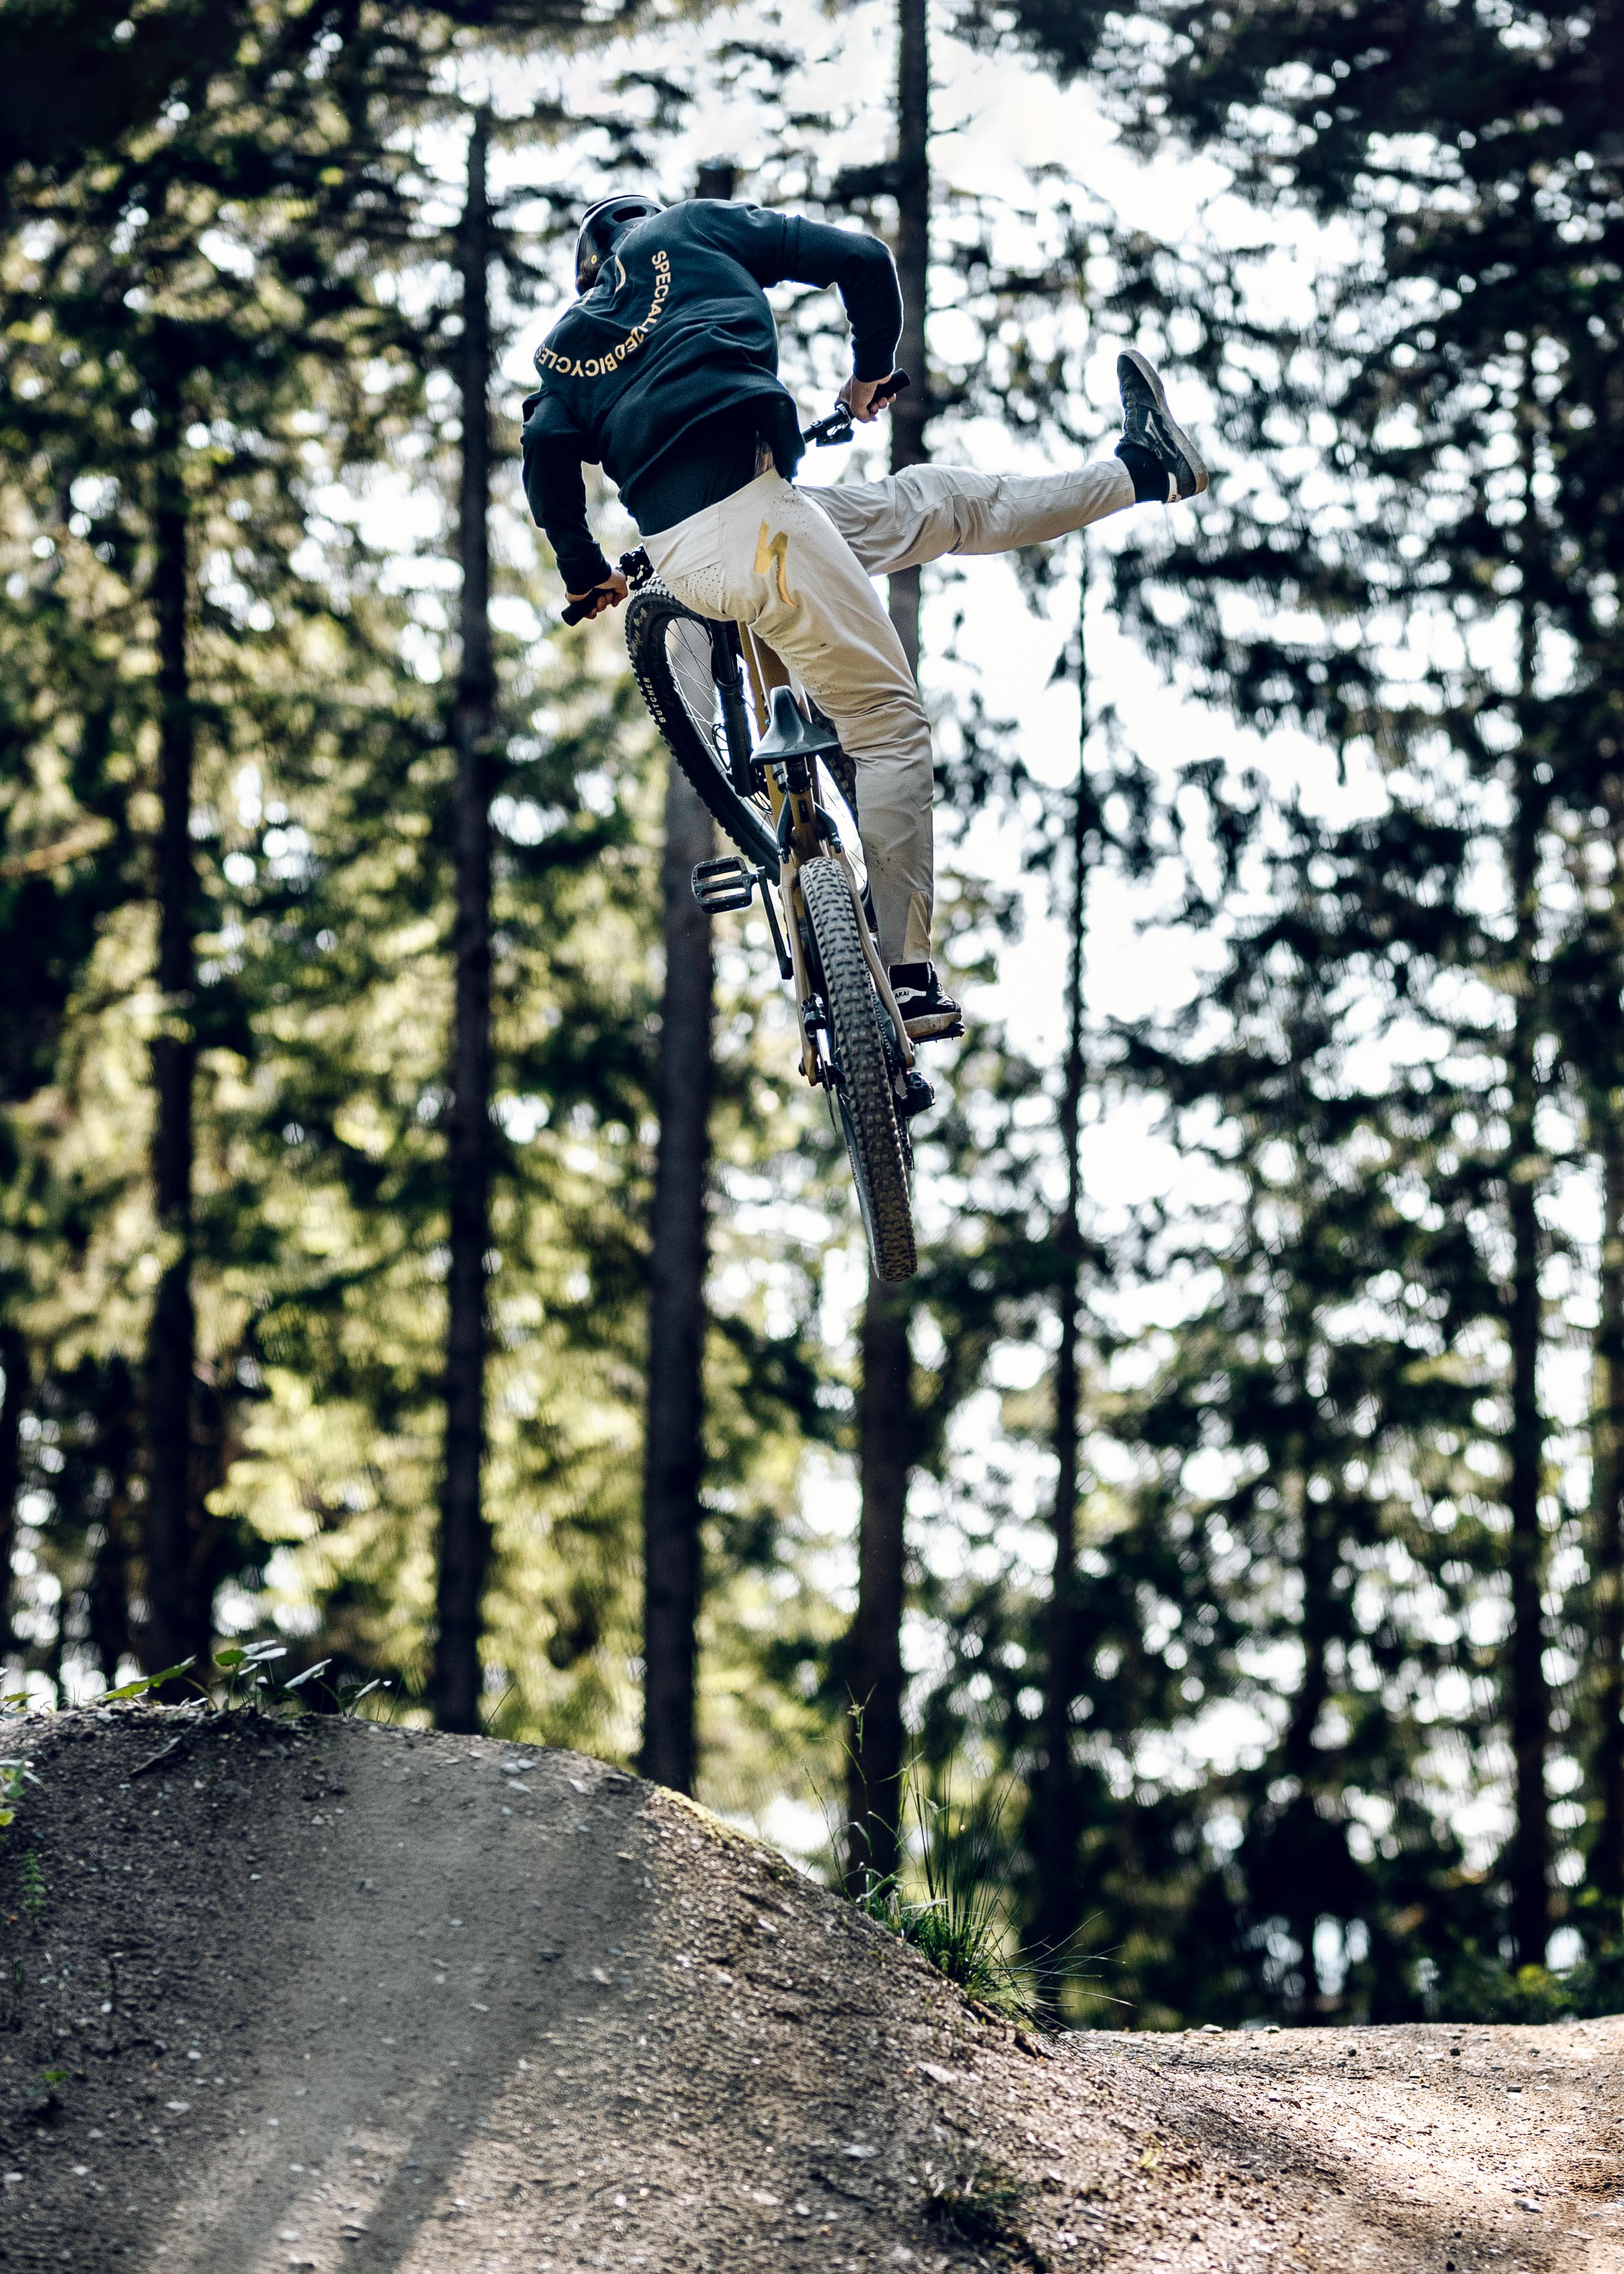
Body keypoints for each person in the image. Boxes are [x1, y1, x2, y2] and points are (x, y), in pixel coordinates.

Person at [521, 191, 1206, 1040]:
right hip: (763, 526)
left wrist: (584, 573)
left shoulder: (565, 346)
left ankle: (1145, 469)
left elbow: (545, 456)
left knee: (940, 503)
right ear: (640, 225)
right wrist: (867, 374)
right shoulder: (690, 228)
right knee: (888, 725)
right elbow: (863, 259)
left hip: (703, 544)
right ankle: (908, 978)